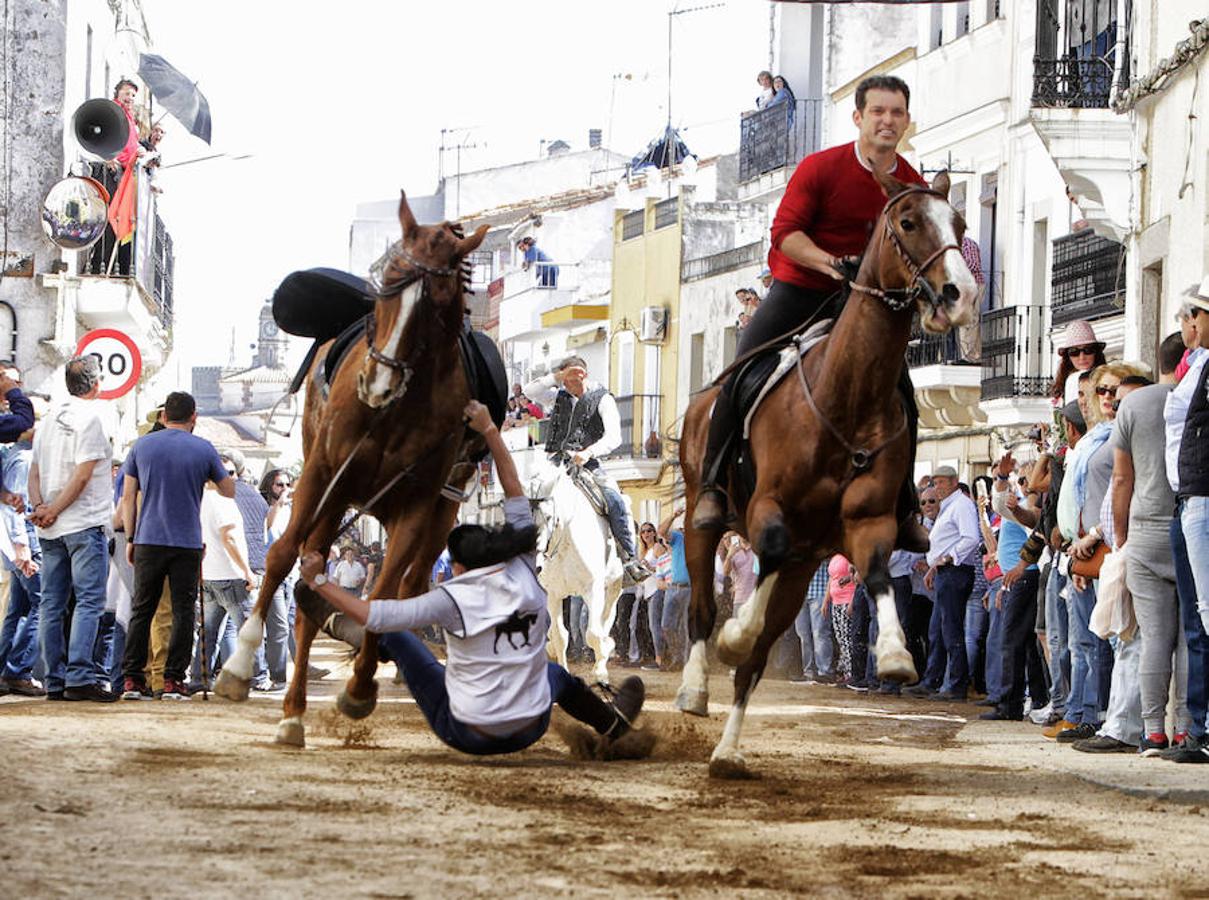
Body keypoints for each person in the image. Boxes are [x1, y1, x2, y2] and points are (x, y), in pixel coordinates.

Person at [294, 400, 646, 757]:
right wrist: (490, 431)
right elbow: (514, 491)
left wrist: (320, 583)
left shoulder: (452, 596)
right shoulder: (523, 565)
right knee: (556, 676)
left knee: (398, 637)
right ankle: (616, 727)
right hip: (531, 727)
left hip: (468, 733)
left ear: (458, 567)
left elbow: (377, 616)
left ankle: (341, 626)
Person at [694, 75, 931, 557]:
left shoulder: (911, 185)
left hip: (864, 306)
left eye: (897, 113)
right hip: (802, 288)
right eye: (878, 111)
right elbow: (785, 233)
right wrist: (829, 263)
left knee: (902, 396)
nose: (888, 120)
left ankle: (903, 508)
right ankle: (713, 490)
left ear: (906, 121)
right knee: (739, 376)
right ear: (859, 118)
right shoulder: (821, 168)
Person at [120, 391, 235, 701]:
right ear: (193, 416)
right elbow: (229, 489)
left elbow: (128, 497)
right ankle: (173, 680)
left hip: (147, 539)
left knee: (142, 609)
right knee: (185, 611)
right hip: (186, 541)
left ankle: (132, 679)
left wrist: (131, 537)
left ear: (164, 416)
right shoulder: (204, 448)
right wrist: (204, 477)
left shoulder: (141, 446)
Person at [27, 357, 115, 702]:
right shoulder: (91, 418)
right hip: (82, 522)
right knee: (89, 601)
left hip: (51, 528)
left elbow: (35, 471)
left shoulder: (48, 420)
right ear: (96, 384)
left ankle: (55, 679)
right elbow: (82, 476)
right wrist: (54, 509)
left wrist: (40, 508)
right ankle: (79, 675)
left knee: (52, 603)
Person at [524, 356, 648, 582]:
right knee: (529, 496)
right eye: (565, 381)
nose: (568, 386)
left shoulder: (602, 399)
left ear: (584, 375)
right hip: (555, 463)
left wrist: (589, 452)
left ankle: (630, 558)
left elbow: (614, 437)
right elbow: (530, 391)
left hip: (588, 464)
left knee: (615, 500)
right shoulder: (558, 396)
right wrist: (557, 377)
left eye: (572, 380)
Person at [922, 465, 981, 701]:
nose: (937, 488)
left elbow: (971, 538)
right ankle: (937, 681)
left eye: (942, 483)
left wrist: (949, 557)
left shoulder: (962, 505)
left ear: (954, 482)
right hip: (945, 571)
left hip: (955, 571)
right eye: (935, 483)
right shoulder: (949, 506)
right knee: (939, 628)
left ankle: (956, 685)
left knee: (951, 629)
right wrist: (935, 566)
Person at [0, 414, 43, 697]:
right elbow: (13, 508)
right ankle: (18, 671)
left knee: (17, 609)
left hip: (20, 543)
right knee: (43, 601)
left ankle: (7, 668)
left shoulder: (15, 456)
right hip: (25, 543)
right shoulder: (23, 459)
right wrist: (22, 550)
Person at [792, 558, 835, 684]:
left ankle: (824, 672)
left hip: (820, 592)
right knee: (803, 634)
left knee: (820, 633)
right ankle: (809, 672)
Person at [1050, 320, 1107, 406]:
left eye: (1088, 350)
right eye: (1074, 352)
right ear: (1068, 356)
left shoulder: (1073, 379)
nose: (1082, 357)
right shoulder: (1068, 380)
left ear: (1096, 352)